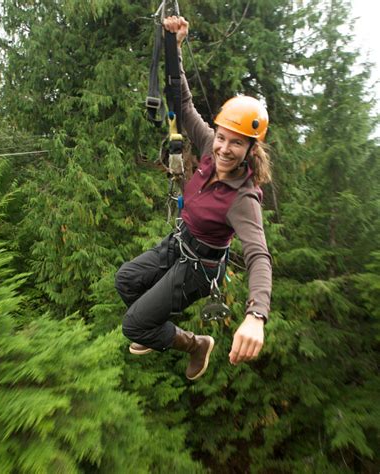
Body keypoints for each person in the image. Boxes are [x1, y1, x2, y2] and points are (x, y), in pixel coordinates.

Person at [115, 16, 272, 380]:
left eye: (237, 143)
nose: (224, 148)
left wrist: (256, 315)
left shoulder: (243, 198)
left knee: (134, 327)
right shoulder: (208, 149)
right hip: (178, 244)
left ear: (251, 149)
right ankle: (154, 328)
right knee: (126, 281)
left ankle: (194, 343)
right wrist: (176, 48)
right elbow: (183, 104)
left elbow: (258, 255)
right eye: (222, 137)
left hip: (199, 269)